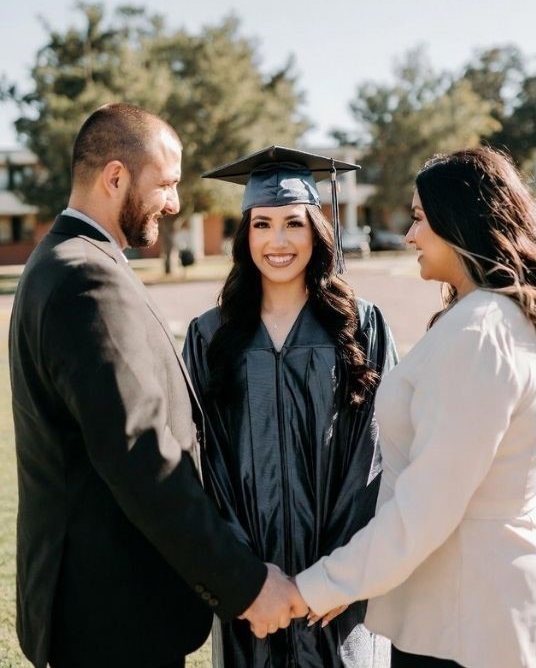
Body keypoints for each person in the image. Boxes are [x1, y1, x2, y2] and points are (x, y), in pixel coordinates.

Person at [9, 104, 306, 668]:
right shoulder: (85, 278)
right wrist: (244, 585)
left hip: (96, 609)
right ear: (115, 177)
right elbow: (140, 456)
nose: (173, 202)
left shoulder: (64, 260)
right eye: (165, 184)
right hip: (112, 618)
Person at [297, 147, 536, 668]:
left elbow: (427, 506)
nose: (409, 236)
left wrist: (321, 585)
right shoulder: (500, 320)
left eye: (421, 218)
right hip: (466, 604)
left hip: (466, 619)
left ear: (461, 221)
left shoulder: (482, 333)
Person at [183, 145, 397, 667]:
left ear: (317, 231)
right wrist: (245, 577)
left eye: (293, 224)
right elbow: (203, 463)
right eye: (262, 225)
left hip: (338, 593)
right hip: (251, 593)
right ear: (245, 235)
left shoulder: (360, 326)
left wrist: (341, 573)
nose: (277, 242)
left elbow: (381, 449)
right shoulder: (210, 337)